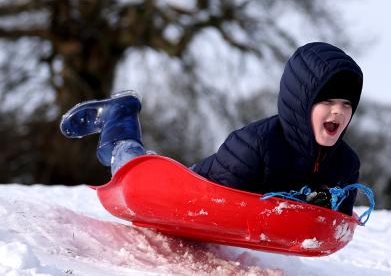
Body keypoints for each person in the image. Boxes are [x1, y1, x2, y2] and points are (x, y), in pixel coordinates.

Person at [59, 42, 363, 214]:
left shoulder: (345, 164)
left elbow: (335, 224)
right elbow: (212, 205)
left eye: (347, 105)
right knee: (134, 171)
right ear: (301, 103)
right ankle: (119, 120)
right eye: (327, 101)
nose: (338, 111)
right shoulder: (255, 144)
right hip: (185, 193)